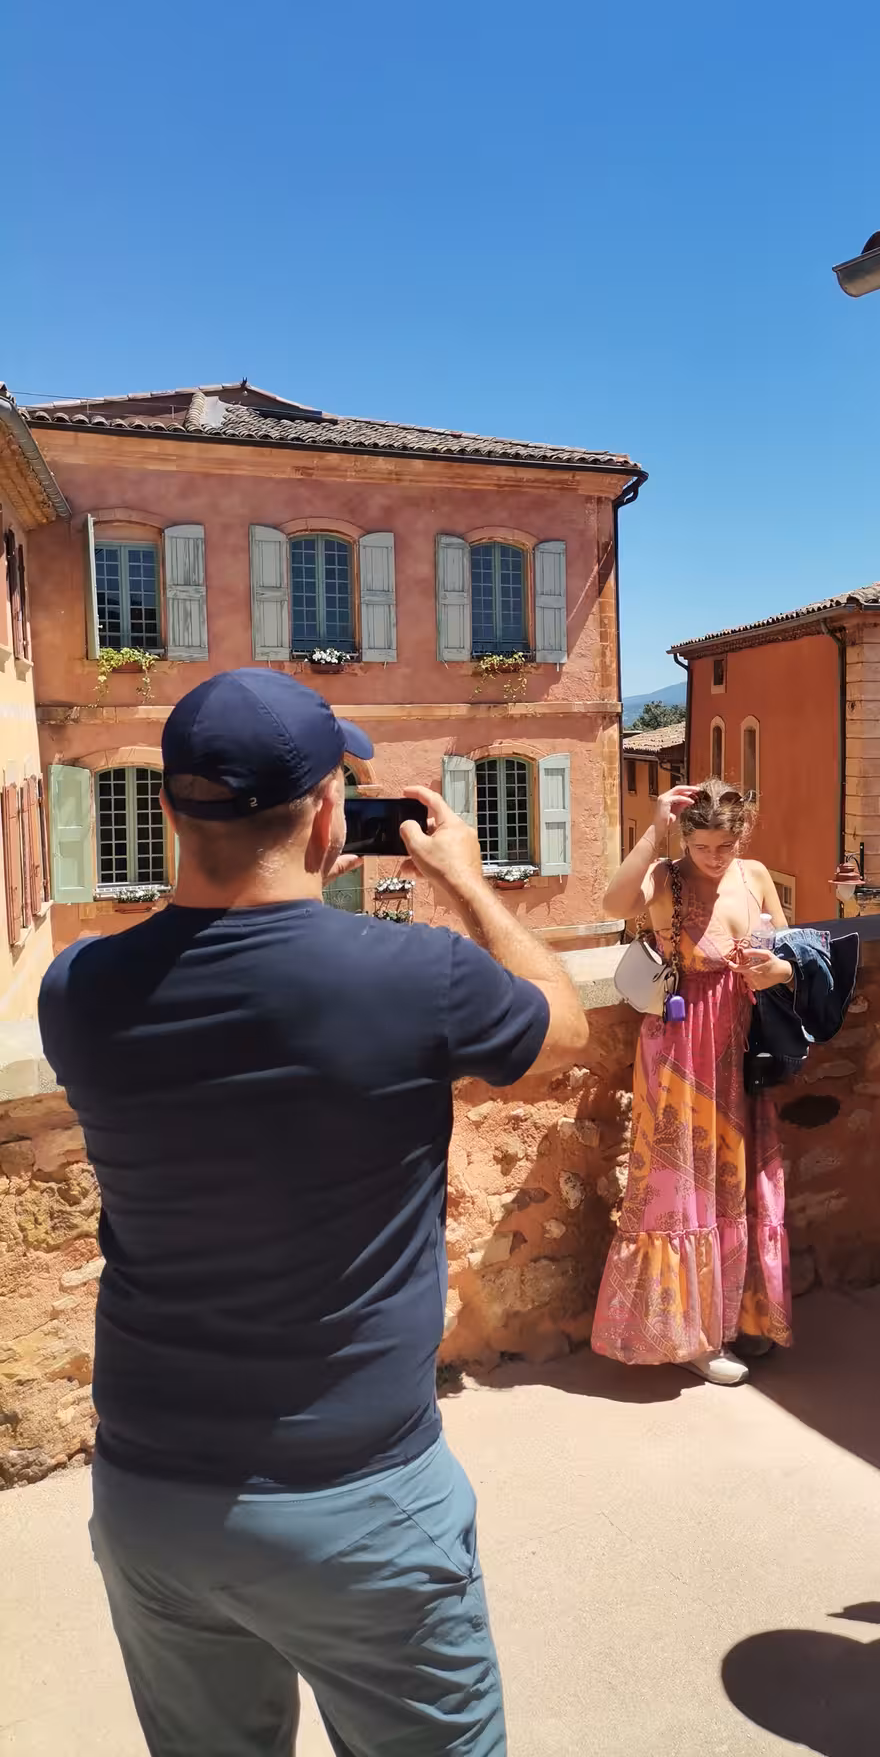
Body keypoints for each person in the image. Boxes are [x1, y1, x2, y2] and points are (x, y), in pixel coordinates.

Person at [38, 669, 588, 1757]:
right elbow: (560, 1033)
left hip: (151, 1494)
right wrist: (469, 886)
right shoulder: (416, 976)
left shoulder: (79, 992)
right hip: (358, 1497)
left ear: (168, 812)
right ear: (333, 816)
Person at [592, 778, 793, 1385]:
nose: (716, 856)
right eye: (705, 845)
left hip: (742, 1043)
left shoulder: (755, 876)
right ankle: (692, 1335)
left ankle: (740, 1317)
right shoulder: (664, 877)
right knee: (683, 1182)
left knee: (738, 1175)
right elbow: (611, 905)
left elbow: (790, 947)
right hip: (681, 1048)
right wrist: (654, 827)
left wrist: (779, 967)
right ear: (687, 837)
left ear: (743, 836)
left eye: (727, 844)